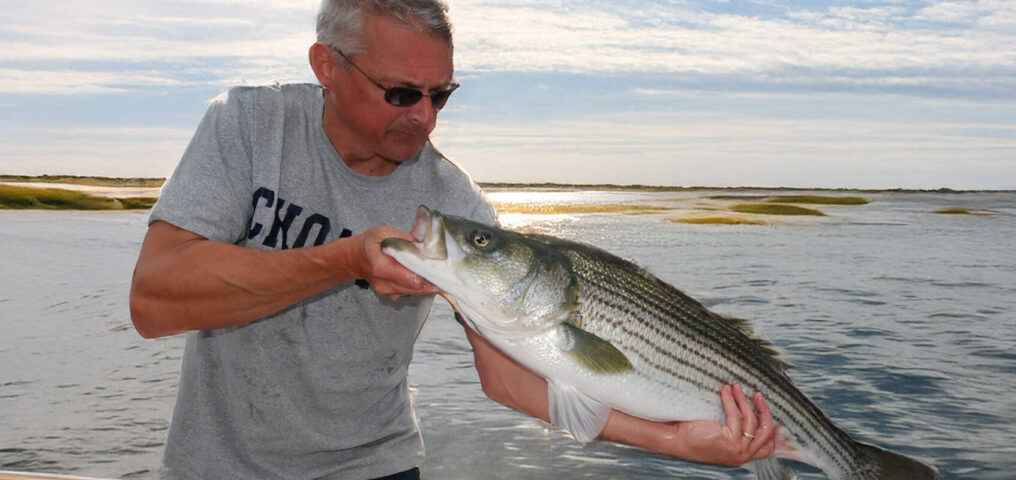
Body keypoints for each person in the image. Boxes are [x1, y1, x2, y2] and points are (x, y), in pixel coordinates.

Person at [129, 0, 779, 478]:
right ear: (327, 65)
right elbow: (154, 302)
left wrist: (678, 442)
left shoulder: (455, 203)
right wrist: (343, 260)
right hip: (214, 466)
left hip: (376, 467)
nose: (424, 118)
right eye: (400, 93)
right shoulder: (248, 125)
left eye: (441, 95)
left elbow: (508, 381)